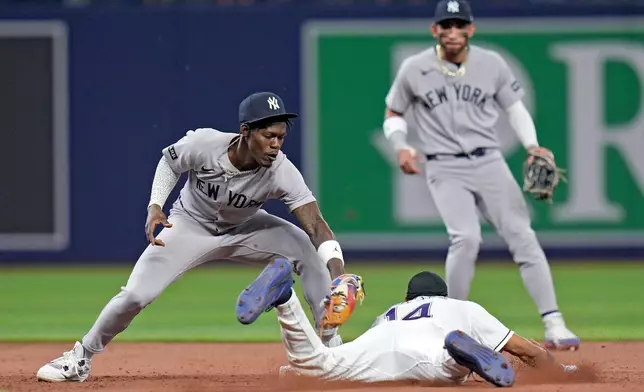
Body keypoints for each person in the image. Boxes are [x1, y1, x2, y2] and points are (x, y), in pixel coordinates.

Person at [36, 91, 364, 383]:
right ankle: (81, 357)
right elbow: (169, 163)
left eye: (281, 136)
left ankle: (331, 346)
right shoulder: (205, 144)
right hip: (189, 226)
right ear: (245, 132)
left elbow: (317, 225)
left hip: (247, 229)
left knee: (305, 248)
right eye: (268, 135)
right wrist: (155, 206)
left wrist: (340, 275)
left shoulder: (282, 171)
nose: (276, 144)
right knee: (135, 295)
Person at [381, 0, 579, 350]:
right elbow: (393, 111)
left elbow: (514, 108)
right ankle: (453, 326)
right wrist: (400, 145)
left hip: (489, 161)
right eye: (446, 25)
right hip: (444, 165)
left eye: (460, 25)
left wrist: (532, 145)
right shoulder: (415, 67)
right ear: (434, 30)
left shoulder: (491, 63)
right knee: (466, 238)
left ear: (471, 29)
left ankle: (555, 323)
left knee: (523, 236)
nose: (453, 32)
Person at [237, 258, 578, 387]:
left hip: (377, 345)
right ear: (443, 296)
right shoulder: (463, 308)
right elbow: (523, 350)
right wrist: (557, 371)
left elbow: (356, 356)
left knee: (318, 364)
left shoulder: (390, 314)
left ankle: (285, 298)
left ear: (407, 299)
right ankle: (458, 352)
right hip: (432, 347)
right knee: (443, 368)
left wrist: (330, 331)